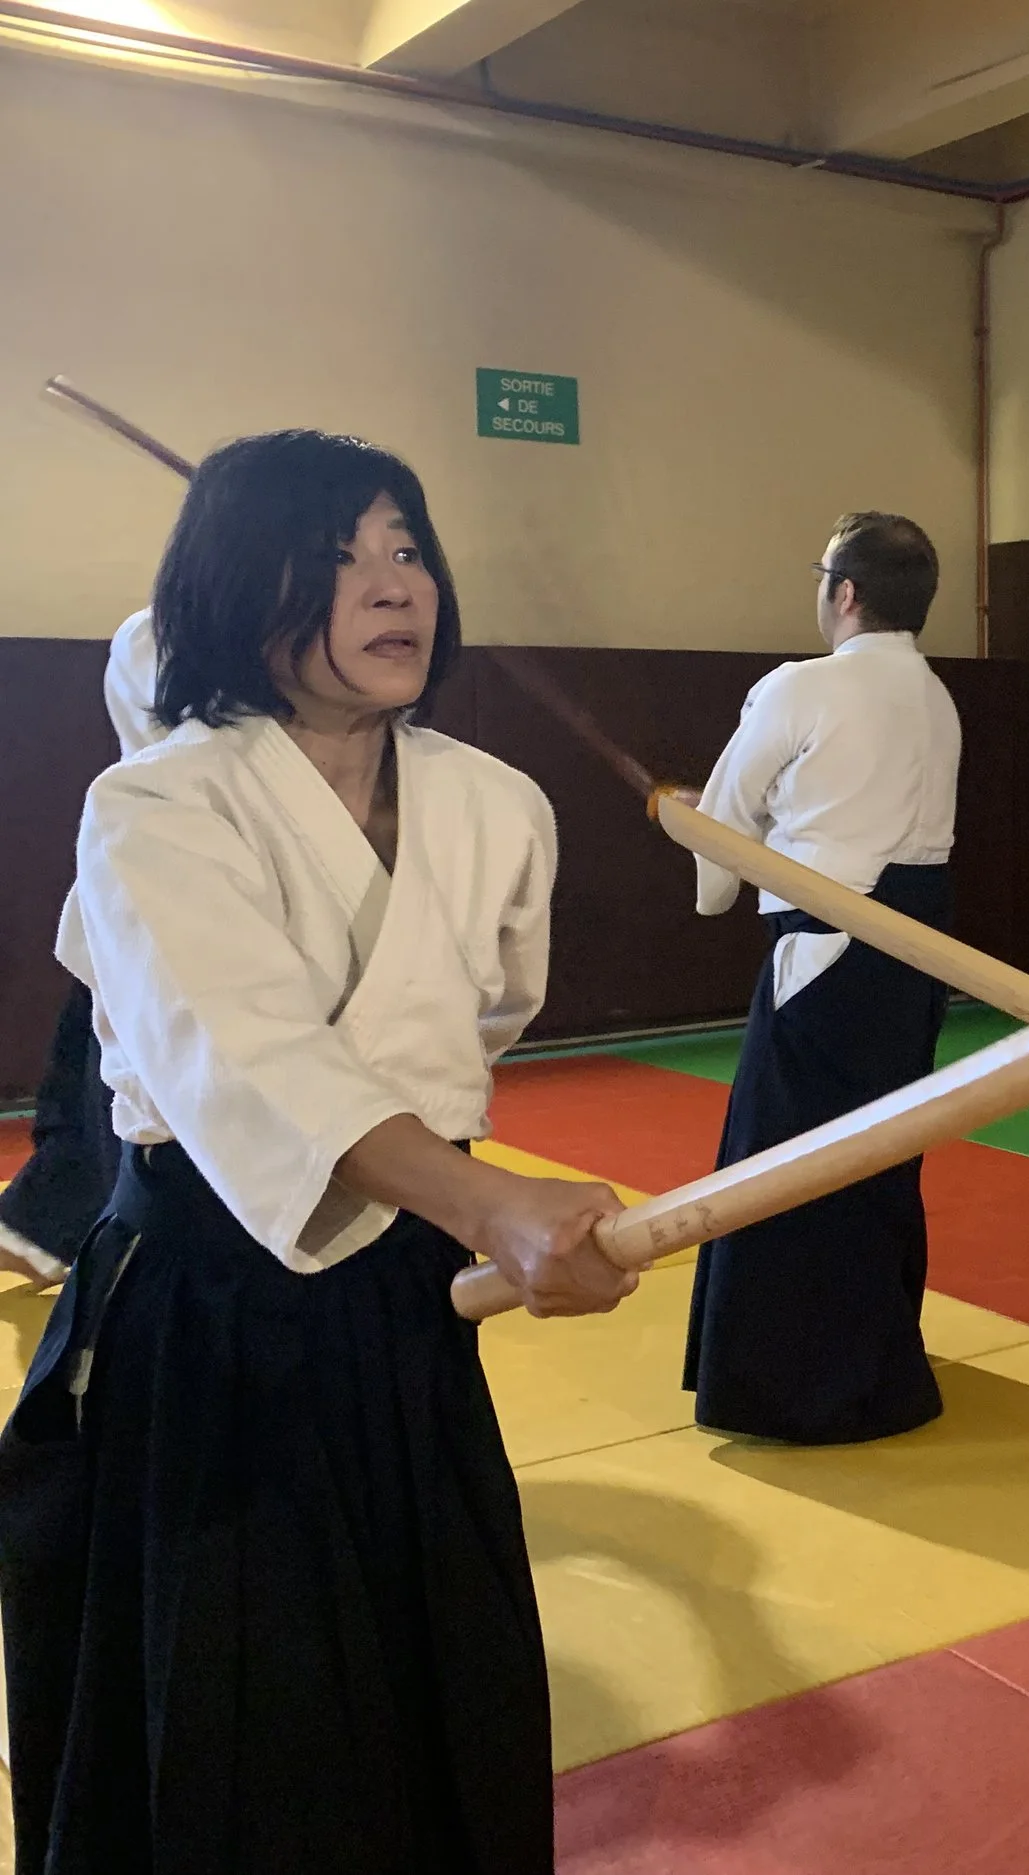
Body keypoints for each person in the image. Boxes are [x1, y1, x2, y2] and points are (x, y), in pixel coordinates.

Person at [0, 430, 637, 1871]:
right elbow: (247, 1064)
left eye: (405, 545)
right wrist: (491, 1201)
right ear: (238, 586)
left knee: (431, 1660)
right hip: (214, 1307)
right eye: (336, 555)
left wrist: (460, 1201)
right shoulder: (155, 804)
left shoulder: (494, 802)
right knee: (251, 1699)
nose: (389, 582)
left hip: (408, 1299)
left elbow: (480, 1015)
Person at [682, 511, 960, 1444]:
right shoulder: (938, 699)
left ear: (844, 591)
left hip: (823, 965)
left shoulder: (801, 687)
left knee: (792, 1170)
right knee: (881, 1160)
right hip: (913, 967)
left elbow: (722, 835)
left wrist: (706, 849)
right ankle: (879, 1368)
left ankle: (796, 1386)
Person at [0, 611, 164, 1284]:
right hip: (153, 895)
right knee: (126, 1088)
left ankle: (38, 1222)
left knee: (92, 1069)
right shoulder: (165, 631)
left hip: (134, 901)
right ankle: (82, 1233)